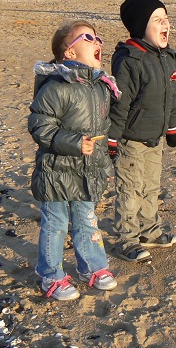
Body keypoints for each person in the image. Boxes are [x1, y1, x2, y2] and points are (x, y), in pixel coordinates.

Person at [28, 20, 121, 301]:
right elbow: (40, 126)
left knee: (87, 220)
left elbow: (102, 131)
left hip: (87, 170)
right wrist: (73, 142)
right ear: (69, 52)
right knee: (55, 224)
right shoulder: (56, 86)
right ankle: (51, 275)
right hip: (56, 170)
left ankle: (92, 266)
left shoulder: (101, 86)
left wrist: (104, 165)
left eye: (97, 38)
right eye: (88, 38)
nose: (97, 42)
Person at [108, 0, 176, 263]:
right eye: (157, 20)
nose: (165, 24)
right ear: (141, 27)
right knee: (130, 190)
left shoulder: (167, 57)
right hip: (130, 139)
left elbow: (172, 97)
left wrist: (171, 128)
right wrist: (112, 139)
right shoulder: (130, 60)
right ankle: (127, 239)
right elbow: (119, 103)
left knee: (151, 187)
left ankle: (149, 231)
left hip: (155, 137)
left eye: (166, 19)